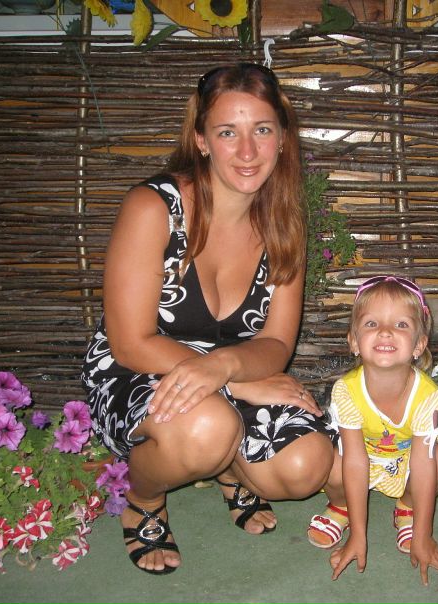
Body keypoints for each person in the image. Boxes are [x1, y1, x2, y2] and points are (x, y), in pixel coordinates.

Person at [81, 62, 337, 575]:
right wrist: (235, 383)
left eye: (261, 130)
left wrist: (225, 371)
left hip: (230, 370)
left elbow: (277, 342)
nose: (247, 151)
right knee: (206, 427)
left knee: (305, 466)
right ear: (200, 140)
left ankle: (227, 466)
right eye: (227, 132)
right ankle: (144, 499)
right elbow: (130, 341)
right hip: (137, 368)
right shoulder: (153, 207)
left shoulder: (284, 221)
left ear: (283, 138)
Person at [306, 276, 438, 586]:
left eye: (401, 324)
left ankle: (407, 508)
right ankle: (342, 505)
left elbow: (423, 463)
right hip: (361, 457)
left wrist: (423, 535)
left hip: (407, 461)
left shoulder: (429, 396)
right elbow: (355, 460)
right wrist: (358, 535)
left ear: (419, 345)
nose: (385, 331)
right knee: (328, 461)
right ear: (353, 341)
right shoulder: (346, 390)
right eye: (371, 323)